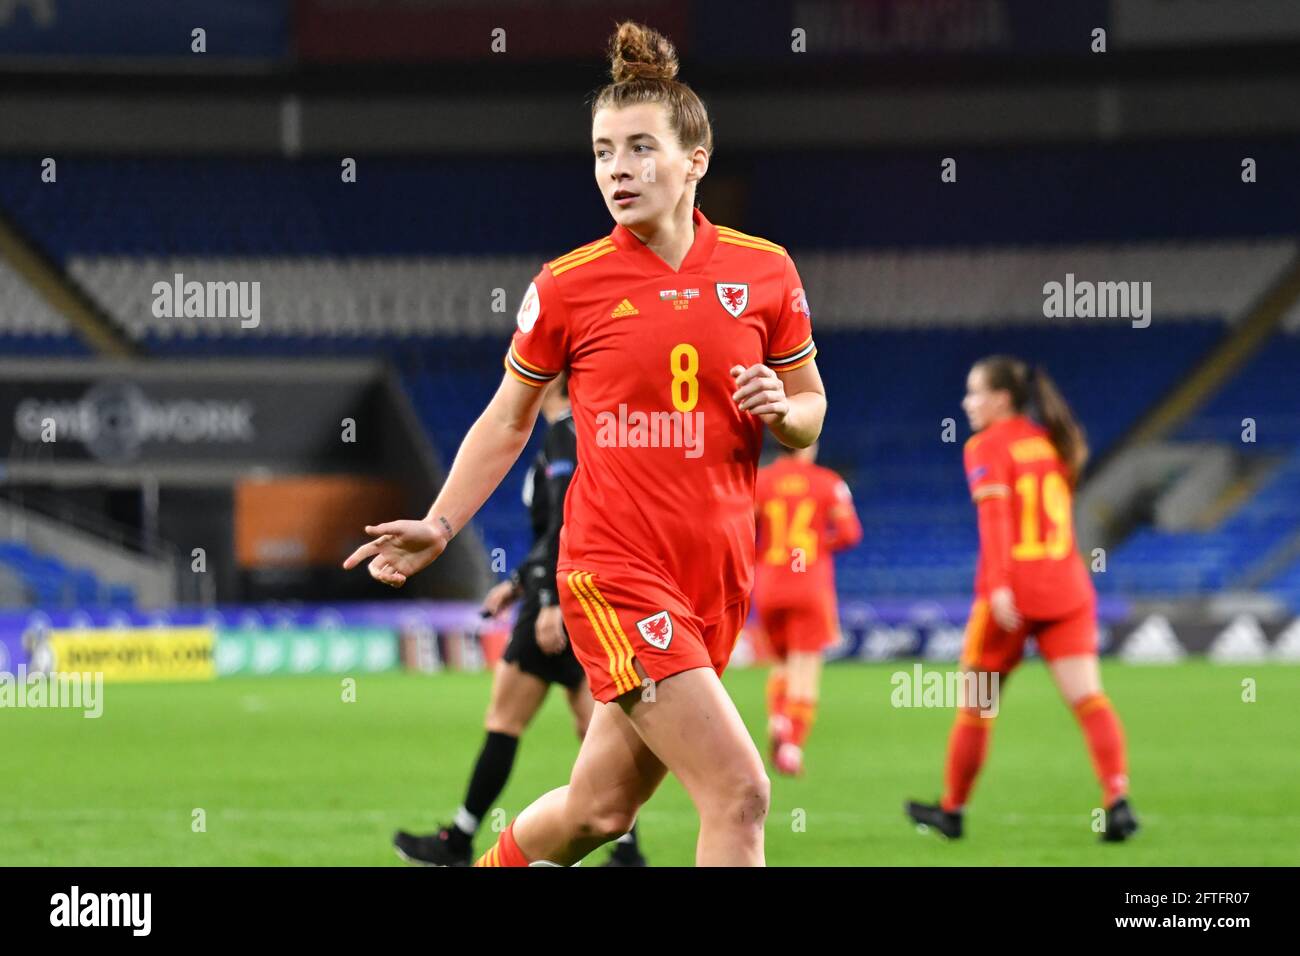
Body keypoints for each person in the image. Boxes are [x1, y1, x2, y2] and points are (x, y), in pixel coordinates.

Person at [344, 20, 825, 867]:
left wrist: (781, 413)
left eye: (641, 148)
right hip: (614, 571)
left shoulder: (766, 272)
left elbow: (812, 407)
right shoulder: (570, 286)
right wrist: (442, 524)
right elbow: (508, 417)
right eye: (604, 152)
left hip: (715, 576)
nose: (618, 169)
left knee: (599, 810)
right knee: (740, 793)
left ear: (695, 160)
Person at [391, 375, 647, 867]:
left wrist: (547, 598)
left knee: (505, 720)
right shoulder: (582, 432)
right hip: (580, 593)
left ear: (555, 378)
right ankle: (629, 850)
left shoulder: (563, 434)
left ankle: (459, 840)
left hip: (561, 599)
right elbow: (562, 528)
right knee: (594, 725)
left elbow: (566, 525)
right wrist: (517, 585)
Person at [906, 356, 1138, 842]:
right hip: (1068, 588)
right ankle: (1117, 800)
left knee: (976, 705)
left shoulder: (985, 446)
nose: (967, 403)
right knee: (1089, 699)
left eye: (974, 393)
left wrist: (1000, 586)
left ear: (1001, 398)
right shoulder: (1053, 441)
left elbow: (997, 522)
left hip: (1013, 595)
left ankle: (952, 811)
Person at [753, 443, 862, 776]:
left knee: (781, 663)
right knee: (805, 670)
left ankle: (777, 719)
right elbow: (849, 534)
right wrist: (816, 546)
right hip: (809, 584)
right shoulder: (828, 481)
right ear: (811, 442)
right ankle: (792, 747)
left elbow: (741, 527)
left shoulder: (760, 480)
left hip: (769, 584)